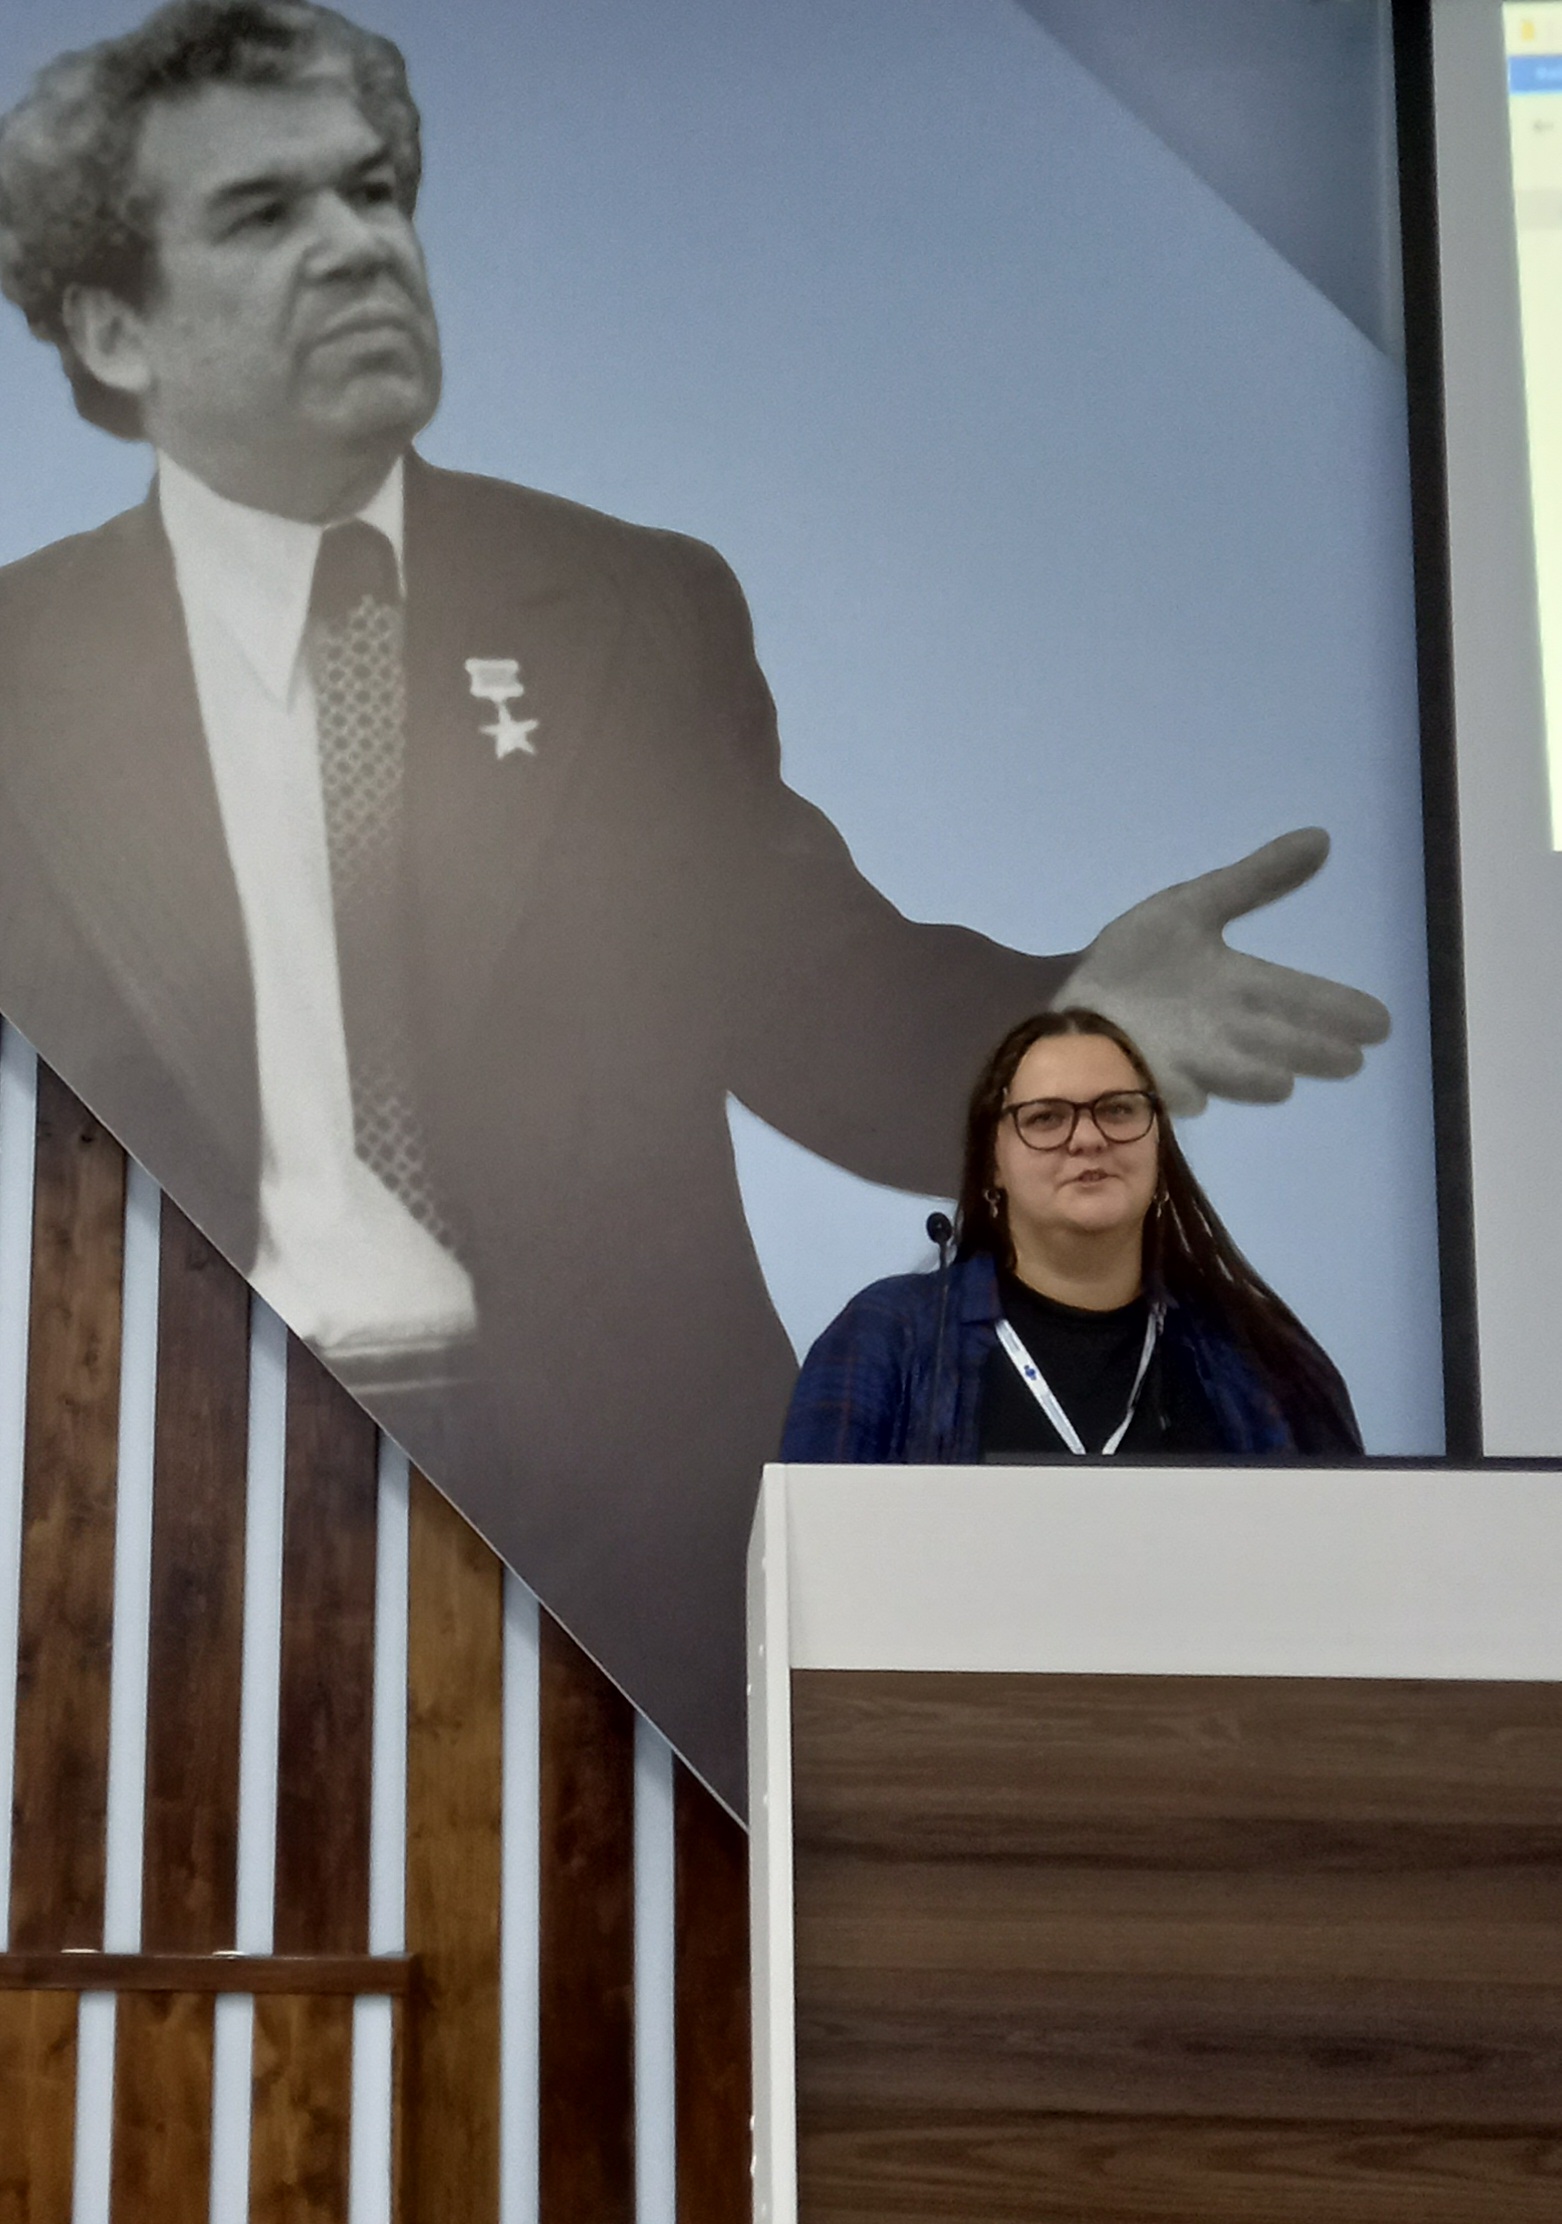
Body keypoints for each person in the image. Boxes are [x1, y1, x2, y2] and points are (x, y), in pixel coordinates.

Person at [0, 0, 1384, 1803]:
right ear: (112, 328)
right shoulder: (18, 677)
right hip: (188, 1533)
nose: (357, 244)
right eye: (266, 214)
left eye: (376, 191)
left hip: (642, 1546)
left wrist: (1067, 1026)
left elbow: (817, 997)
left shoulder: (624, 607)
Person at [782, 1007, 1364, 1462]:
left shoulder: (1263, 1353)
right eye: (1045, 1118)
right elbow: (813, 1548)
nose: (1088, 1139)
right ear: (992, 1165)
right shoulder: (891, 1338)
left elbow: (1351, 1557)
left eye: (1118, 1110)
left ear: (1158, 1144)